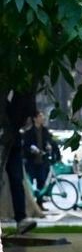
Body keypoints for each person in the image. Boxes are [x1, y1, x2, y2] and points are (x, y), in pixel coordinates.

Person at [2, 90, 38, 235]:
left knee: (17, 179)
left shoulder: (22, 91)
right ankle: (21, 218)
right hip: (8, 136)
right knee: (14, 179)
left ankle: (21, 218)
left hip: (13, 138)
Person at [23, 112, 60, 206]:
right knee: (30, 183)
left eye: (43, 116)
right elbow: (25, 146)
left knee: (41, 182)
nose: (42, 118)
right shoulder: (29, 132)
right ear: (35, 119)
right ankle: (30, 204)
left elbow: (51, 142)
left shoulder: (45, 131)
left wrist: (50, 148)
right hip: (31, 161)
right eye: (40, 116)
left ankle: (40, 204)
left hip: (42, 160)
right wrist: (31, 150)